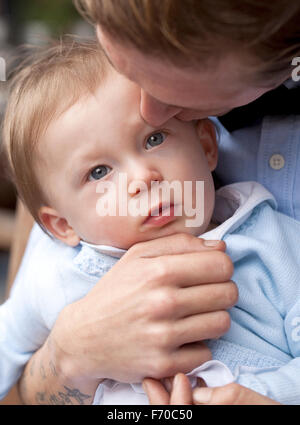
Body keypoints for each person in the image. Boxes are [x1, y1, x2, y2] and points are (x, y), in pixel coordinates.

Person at [7, 0, 299, 405]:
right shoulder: (57, 269)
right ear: (62, 225)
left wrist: (264, 394)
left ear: (205, 144)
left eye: (154, 138)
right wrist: (69, 356)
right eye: (98, 172)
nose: (142, 177)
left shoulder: (272, 240)